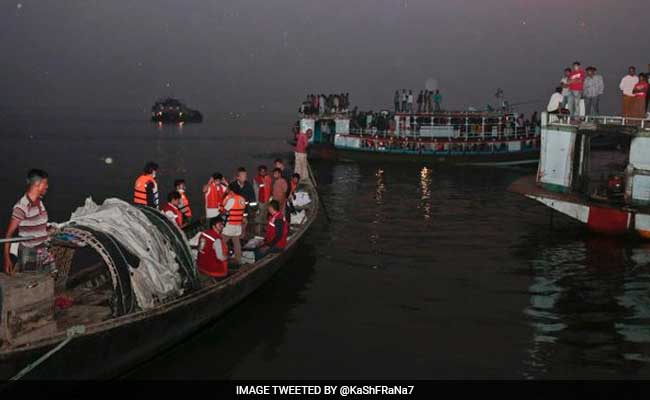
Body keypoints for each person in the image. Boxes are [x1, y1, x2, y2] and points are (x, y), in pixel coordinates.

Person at [4, 169, 55, 275]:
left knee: (46, 281)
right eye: (45, 183)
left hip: (42, 250)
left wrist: (49, 229)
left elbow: (38, 226)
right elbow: (9, 234)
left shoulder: (39, 202)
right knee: (29, 284)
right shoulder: (22, 206)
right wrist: (6, 258)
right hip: (29, 253)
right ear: (37, 184)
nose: (47, 186)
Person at [221, 185, 247, 265]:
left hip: (229, 226)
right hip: (238, 225)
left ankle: (222, 259)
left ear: (232, 191)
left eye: (229, 190)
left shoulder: (232, 200)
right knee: (236, 242)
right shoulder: (242, 199)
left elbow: (224, 211)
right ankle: (238, 260)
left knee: (222, 242)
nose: (228, 191)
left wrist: (221, 208)